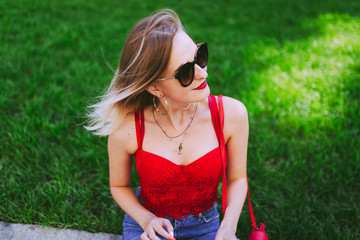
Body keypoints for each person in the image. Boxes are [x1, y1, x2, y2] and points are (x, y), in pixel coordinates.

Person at [86, 9, 249, 240]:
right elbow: (119, 187)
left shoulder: (231, 115)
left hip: (206, 225)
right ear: (154, 87)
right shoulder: (128, 128)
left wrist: (228, 227)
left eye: (200, 56)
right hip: (148, 224)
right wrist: (147, 220)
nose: (202, 73)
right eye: (185, 73)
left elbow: (237, 179)